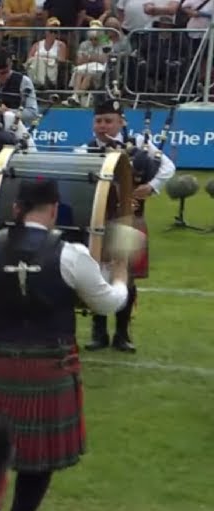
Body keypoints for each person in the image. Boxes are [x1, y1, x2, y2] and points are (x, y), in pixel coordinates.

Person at [0, 178, 129, 511]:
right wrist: (122, 273)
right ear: (53, 210)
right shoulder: (72, 255)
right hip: (50, 368)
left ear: (16, 210)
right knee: (38, 457)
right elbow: (109, 303)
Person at [75, 97, 175, 353]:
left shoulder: (139, 146)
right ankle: (99, 332)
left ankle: (122, 333)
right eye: (98, 121)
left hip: (128, 221)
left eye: (109, 121)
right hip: (97, 222)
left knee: (126, 278)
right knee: (96, 275)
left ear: (121, 122)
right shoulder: (84, 152)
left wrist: (150, 187)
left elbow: (168, 166)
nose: (103, 126)